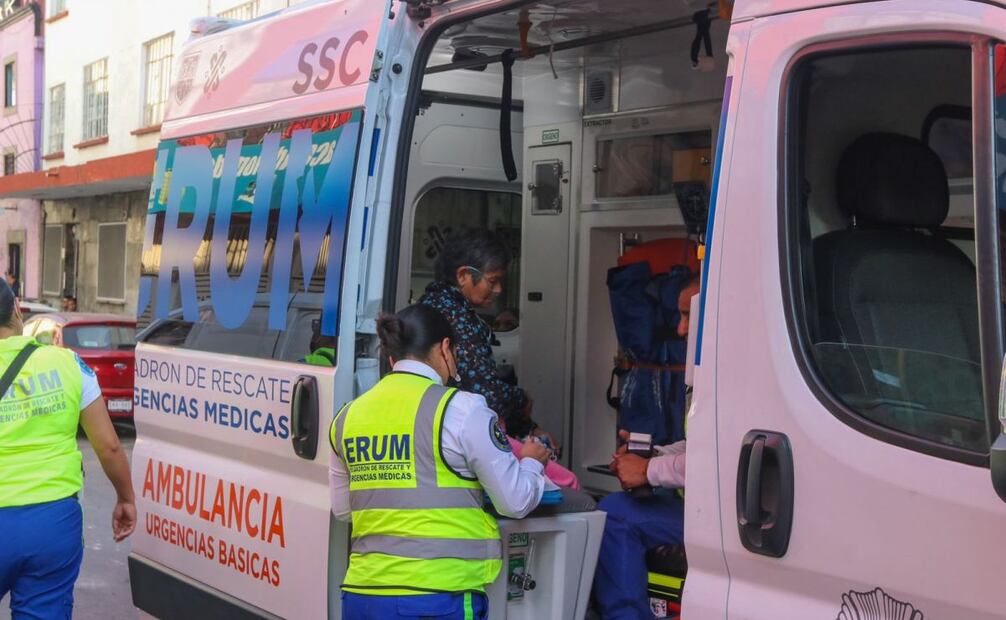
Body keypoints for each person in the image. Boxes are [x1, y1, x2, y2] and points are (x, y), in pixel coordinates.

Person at [329, 304, 549, 620]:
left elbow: (344, 511)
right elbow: (514, 501)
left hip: (363, 598)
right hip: (439, 599)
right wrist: (530, 463)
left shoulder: (346, 418)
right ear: (446, 348)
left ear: (392, 358)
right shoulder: (461, 410)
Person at [0, 278, 136, 618]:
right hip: (52, 523)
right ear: (16, 310)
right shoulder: (68, 364)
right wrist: (125, 498)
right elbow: (109, 447)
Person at [419, 228, 579, 489]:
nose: (498, 289)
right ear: (463, 276)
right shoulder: (459, 320)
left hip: (439, 431)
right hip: (466, 433)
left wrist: (528, 425)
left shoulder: (430, 305)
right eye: (492, 281)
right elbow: (485, 393)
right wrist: (522, 399)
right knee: (569, 484)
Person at [593, 276, 700, 620]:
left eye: (688, 316)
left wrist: (649, 471)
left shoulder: (735, 380)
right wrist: (652, 456)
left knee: (616, 514)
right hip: (708, 509)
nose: (681, 330)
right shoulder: (714, 372)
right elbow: (702, 447)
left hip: (724, 517)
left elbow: (722, 462)